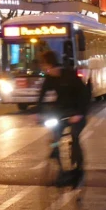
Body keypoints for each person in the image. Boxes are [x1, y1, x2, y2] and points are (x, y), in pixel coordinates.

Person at [37, 50, 90, 187]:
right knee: (55, 138)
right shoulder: (50, 78)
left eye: (43, 65)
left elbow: (84, 94)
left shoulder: (69, 75)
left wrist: (79, 113)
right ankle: (61, 171)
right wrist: (38, 112)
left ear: (49, 64)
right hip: (62, 111)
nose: (42, 68)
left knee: (74, 135)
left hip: (77, 111)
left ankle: (78, 167)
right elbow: (41, 96)